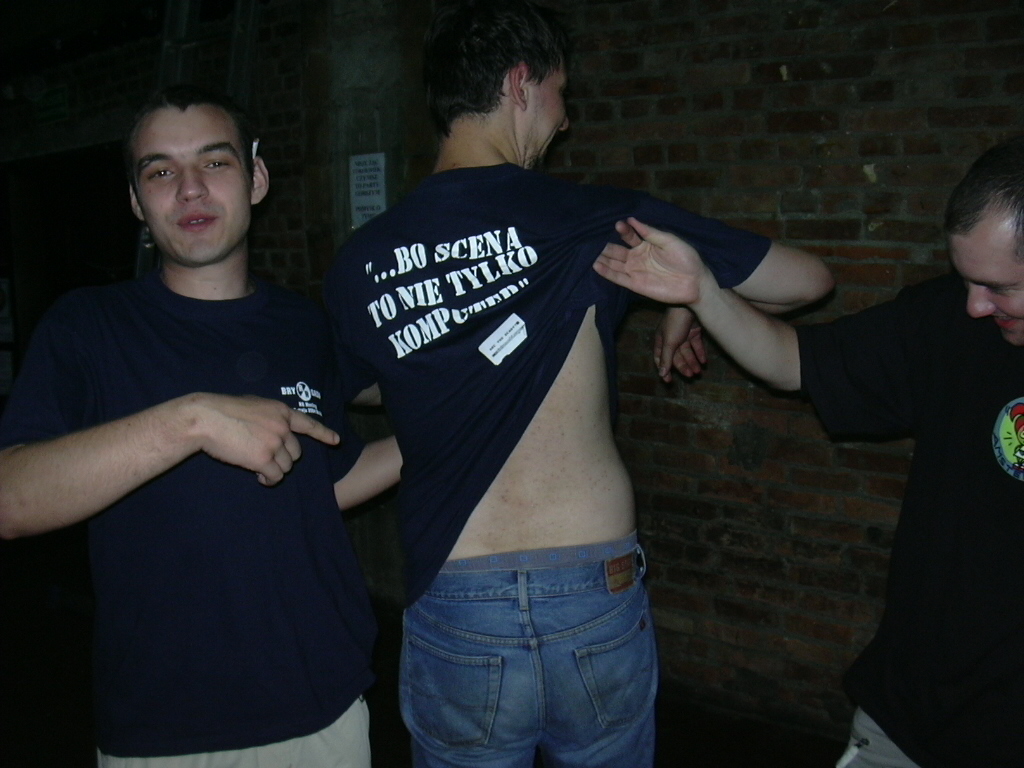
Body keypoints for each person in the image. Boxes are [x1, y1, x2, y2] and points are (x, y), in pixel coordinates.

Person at [324, 1, 833, 765]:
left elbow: (358, 390)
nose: (565, 120)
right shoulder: (595, 217)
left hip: (458, 593)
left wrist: (443, 358)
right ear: (520, 84)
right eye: (561, 93)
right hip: (592, 586)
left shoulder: (361, 261)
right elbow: (806, 281)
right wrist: (695, 297)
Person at [0, 85, 400, 767]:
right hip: (168, 725)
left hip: (323, 706)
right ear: (136, 201)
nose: (190, 188)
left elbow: (322, 482)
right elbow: (12, 498)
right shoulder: (88, 326)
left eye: (215, 162)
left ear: (256, 178)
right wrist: (192, 421)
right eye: (160, 171)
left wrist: (446, 432)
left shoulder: (302, 324)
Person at [593, 137, 1024, 768]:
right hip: (913, 714)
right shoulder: (945, 320)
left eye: (999, 287)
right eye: (967, 280)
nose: (975, 305)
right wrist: (703, 292)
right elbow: (794, 361)